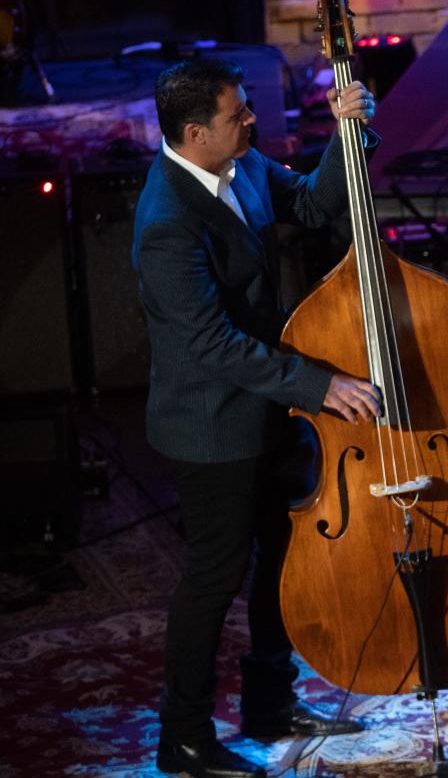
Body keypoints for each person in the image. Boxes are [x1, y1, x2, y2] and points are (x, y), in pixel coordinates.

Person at [133, 58, 383, 778]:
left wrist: (347, 130)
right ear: (192, 132)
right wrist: (317, 385)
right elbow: (211, 343)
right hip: (212, 427)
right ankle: (181, 737)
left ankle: (270, 703)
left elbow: (311, 204)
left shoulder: (238, 166)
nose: (252, 120)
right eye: (237, 114)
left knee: (282, 558)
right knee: (214, 578)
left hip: (267, 406)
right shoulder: (166, 225)